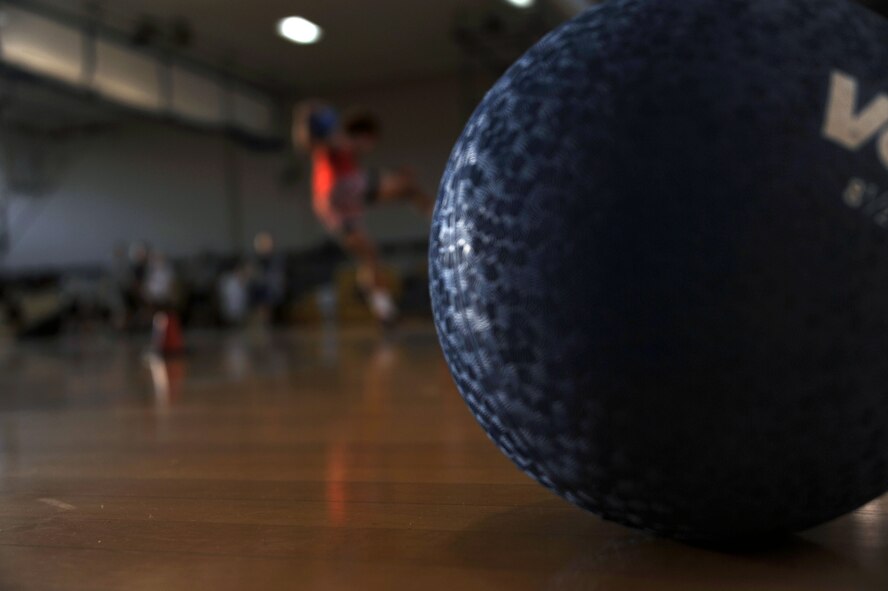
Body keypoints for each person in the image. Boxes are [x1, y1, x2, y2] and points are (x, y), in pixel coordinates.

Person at [294, 102, 433, 327]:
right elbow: (310, 143)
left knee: (369, 254)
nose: (369, 148)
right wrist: (307, 121)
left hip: (340, 203)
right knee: (406, 189)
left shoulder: (344, 151)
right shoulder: (337, 142)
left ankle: (383, 308)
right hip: (338, 195)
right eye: (370, 141)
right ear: (363, 135)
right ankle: (439, 219)